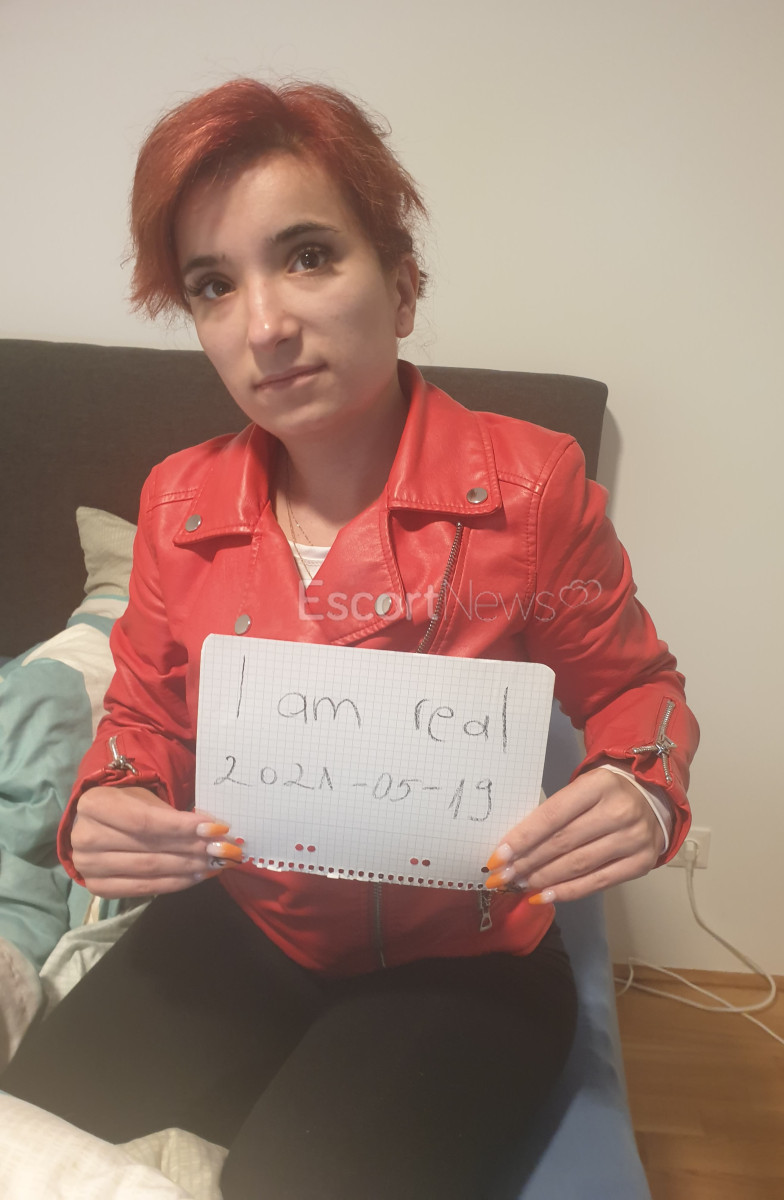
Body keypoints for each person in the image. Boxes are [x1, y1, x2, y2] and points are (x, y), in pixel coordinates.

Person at [1, 79, 699, 1198]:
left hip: (463, 962)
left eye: (309, 256)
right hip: (247, 926)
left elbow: (637, 692)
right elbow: (142, 716)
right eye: (213, 285)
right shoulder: (180, 504)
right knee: (26, 1139)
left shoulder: (531, 491)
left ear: (402, 285)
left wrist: (643, 787)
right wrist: (106, 800)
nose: (264, 325)